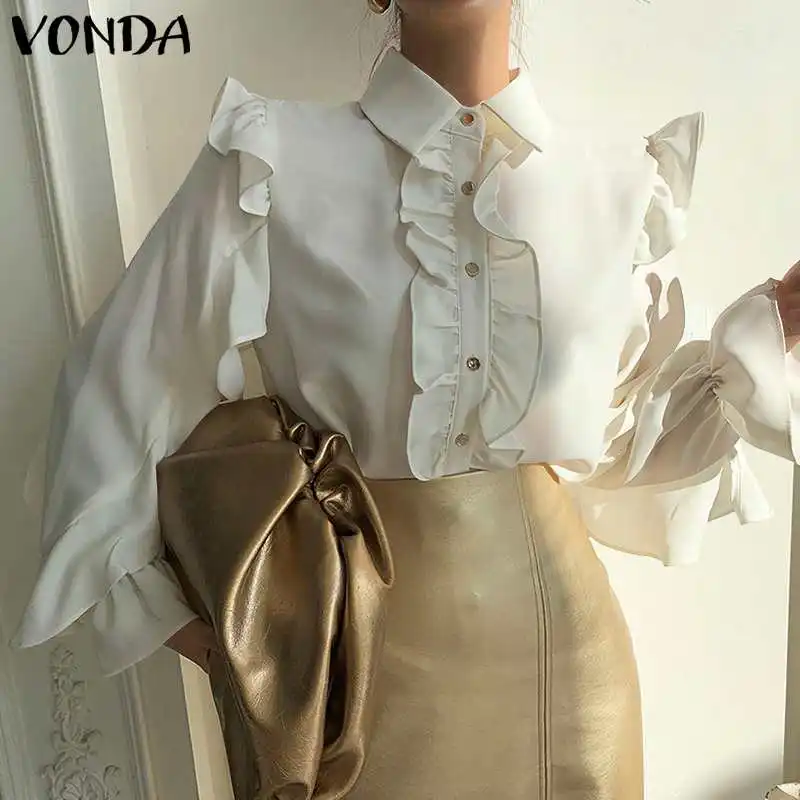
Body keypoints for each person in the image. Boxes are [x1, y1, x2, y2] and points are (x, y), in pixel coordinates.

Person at [11, 0, 800, 797]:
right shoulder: (269, 159)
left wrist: (767, 332)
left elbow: (625, 448)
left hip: (570, 672)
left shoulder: (618, 185)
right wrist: (240, 658)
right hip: (357, 680)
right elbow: (107, 411)